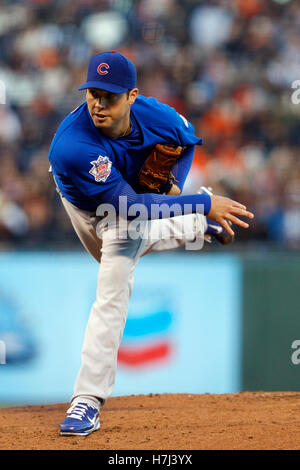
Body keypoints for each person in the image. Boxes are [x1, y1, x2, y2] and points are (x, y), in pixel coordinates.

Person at [48, 51, 254, 436]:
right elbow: (130, 206)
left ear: (132, 96)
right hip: (88, 209)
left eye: (109, 95)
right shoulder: (72, 144)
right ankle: (195, 227)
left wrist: (176, 179)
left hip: (126, 216)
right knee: (133, 225)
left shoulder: (156, 114)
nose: (98, 103)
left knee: (113, 287)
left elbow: (188, 138)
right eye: (93, 92)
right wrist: (203, 204)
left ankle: (86, 401)